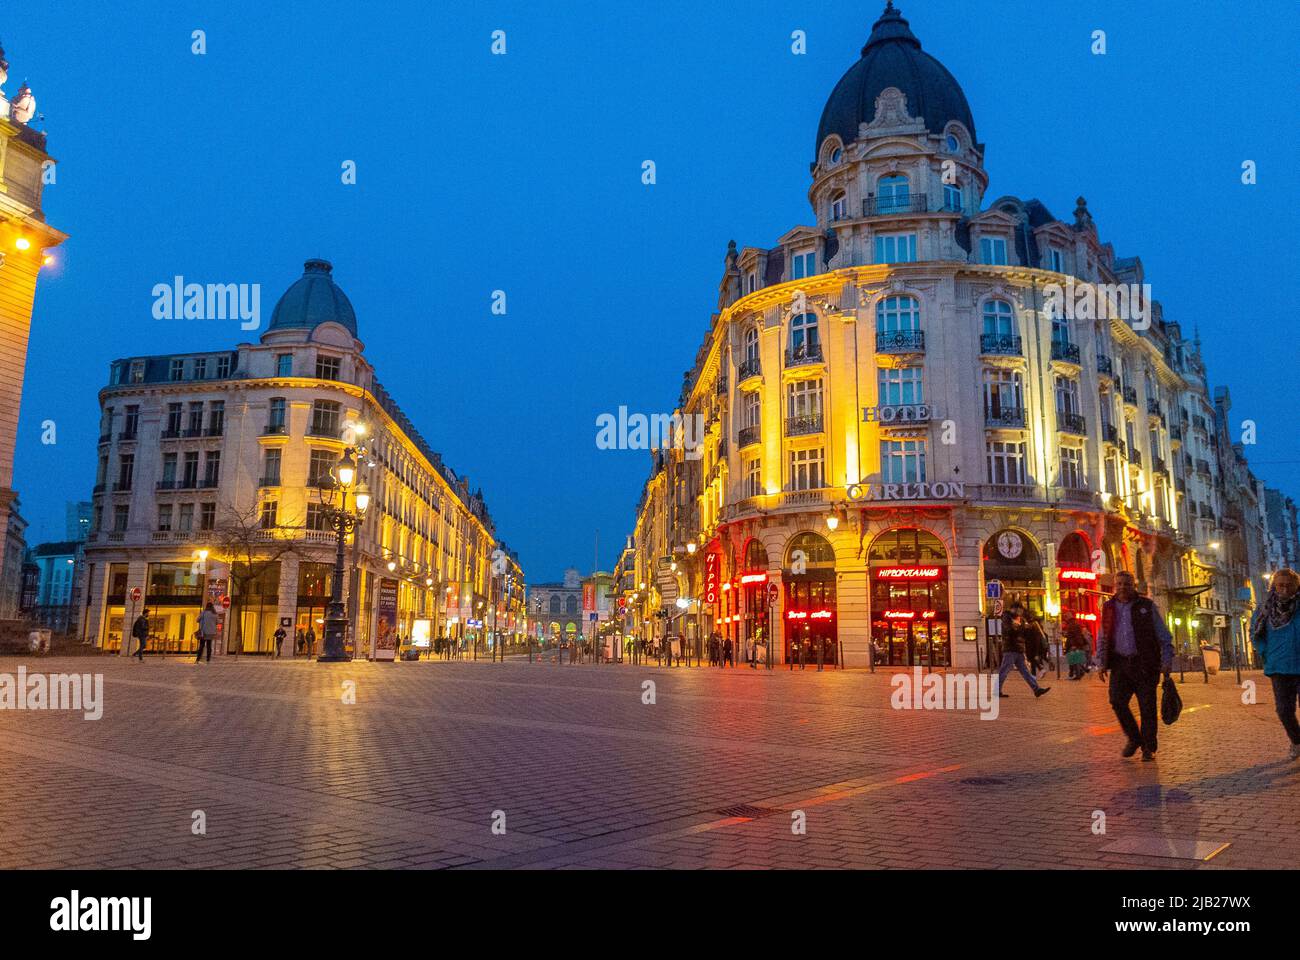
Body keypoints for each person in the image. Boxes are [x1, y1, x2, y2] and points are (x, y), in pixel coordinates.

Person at [1097, 571, 1174, 761]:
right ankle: (1134, 738)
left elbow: (1164, 636)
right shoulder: (1108, 607)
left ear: (1133, 586)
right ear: (1115, 586)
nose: (1123, 588)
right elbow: (1103, 635)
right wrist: (1100, 662)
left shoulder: (1146, 606)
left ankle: (1149, 747)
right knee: (1116, 701)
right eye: (1120, 584)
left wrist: (1166, 661)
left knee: (1147, 707)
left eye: (1127, 584)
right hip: (1120, 664)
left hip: (1145, 664)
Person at [1251, 568, 1300, 760]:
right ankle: (1297, 741)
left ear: (1297, 586)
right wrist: (1264, 653)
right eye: (1281, 585)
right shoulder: (1265, 609)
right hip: (1279, 667)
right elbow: (1255, 634)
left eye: (1289, 585)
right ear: (1274, 586)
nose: (1285, 589)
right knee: (1283, 711)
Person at [995, 602, 1050, 699]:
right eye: (1019, 610)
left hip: (1019, 649)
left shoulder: (1022, 619)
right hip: (1010, 649)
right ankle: (996, 690)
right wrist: (1021, 628)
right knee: (1004, 670)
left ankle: (1036, 689)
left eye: (1021, 610)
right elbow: (1009, 631)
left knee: (1026, 671)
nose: (1020, 612)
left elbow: (1024, 633)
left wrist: (1030, 629)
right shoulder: (1007, 617)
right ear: (1013, 609)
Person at [1063, 611, 1089, 680]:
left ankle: (1078, 674)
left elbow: (1074, 636)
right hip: (1074, 644)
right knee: (1074, 659)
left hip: (1073, 644)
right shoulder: (1073, 623)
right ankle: (1079, 672)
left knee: (1074, 659)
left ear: (1070, 616)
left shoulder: (1072, 624)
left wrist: (1074, 645)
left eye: (1066, 616)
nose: (1065, 617)